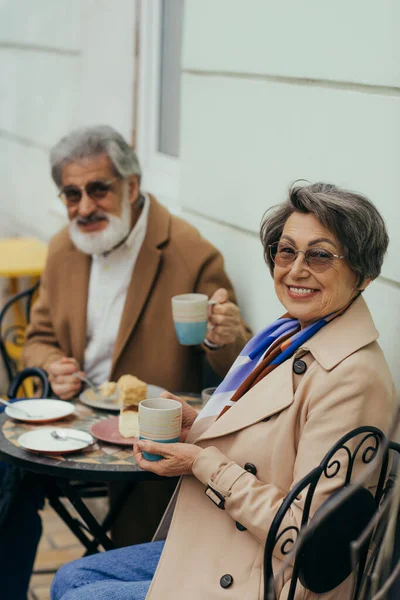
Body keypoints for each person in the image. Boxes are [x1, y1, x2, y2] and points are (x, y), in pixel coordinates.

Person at [51, 182, 397, 600]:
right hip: (231, 545)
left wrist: (201, 462)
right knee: (68, 578)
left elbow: (305, 533)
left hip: (270, 579)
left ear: (364, 272)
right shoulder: (290, 335)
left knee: (78, 596)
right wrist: (197, 425)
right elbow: (267, 446)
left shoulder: (352, 376)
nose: (296, 269)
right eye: (286, 251)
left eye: (320, 255)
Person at [0, 125, 251, 599]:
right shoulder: (62, 247)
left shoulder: (189, 251)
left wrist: (226, 337)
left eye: (99, 189)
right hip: (68, 425)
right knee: (4, 478)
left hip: (140, 448)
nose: (84, 206)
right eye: (71, 194)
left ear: (132, 186)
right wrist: (51, 363)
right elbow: (36, 340)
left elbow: (235, 374)